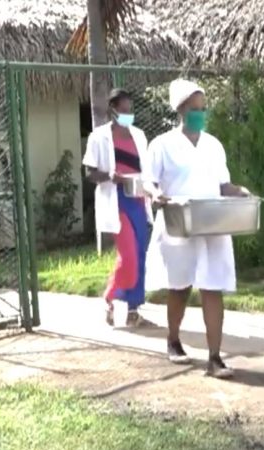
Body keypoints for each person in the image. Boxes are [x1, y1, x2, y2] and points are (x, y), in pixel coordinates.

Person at [144, 79, 251, 379]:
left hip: (213, 224)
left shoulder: (213, 145)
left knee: (212, 286)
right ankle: (173, 339)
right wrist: (155, 195)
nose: (200, 115)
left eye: (203, 109)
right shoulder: (162, 145)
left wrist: (240, 191)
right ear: (180, 110)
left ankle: (215, 358)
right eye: (194, 109)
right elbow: (149, 180)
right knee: (179, 287)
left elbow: (222, 184)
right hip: (179, 224)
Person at [82, 89, 153, 328]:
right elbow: (89, 172)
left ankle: (133, 310)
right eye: (123, 111)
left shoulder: (139, 136)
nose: (128, 115)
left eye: (130, 110)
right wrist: (110, 176)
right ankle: (110, 297)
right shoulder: (99, 137)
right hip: (116, 200)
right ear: (112, 110)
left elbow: (147, 168)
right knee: (129, 256)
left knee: (140, 255)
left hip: (138, 198)